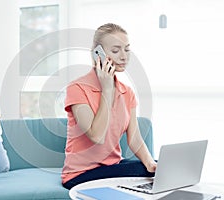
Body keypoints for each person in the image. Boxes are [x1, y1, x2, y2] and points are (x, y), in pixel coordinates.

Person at [61, 23, 157, 190]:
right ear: (98, 53)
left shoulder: (127, 93)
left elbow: (134, 138)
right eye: (115, 50)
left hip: (111, 168)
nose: (123, 57)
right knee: (141, 170)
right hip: (80, 175)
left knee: (161, 166)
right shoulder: (77, 88)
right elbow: (97, 136)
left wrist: (150, 163)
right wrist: (107, 89)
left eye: (127, 49)